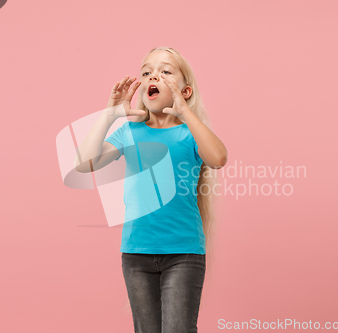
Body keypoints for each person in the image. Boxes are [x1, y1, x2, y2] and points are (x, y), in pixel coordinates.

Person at [75, 46, 228, 333]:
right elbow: (84, 164)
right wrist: (110, 114)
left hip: (183, 254)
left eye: (165, 71)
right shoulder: (129, 132)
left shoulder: (190, 133)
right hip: (136, 253)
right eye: (146, 72)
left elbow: (218, 158)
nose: (153, 75)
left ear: (185, 91)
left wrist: (186, 113)